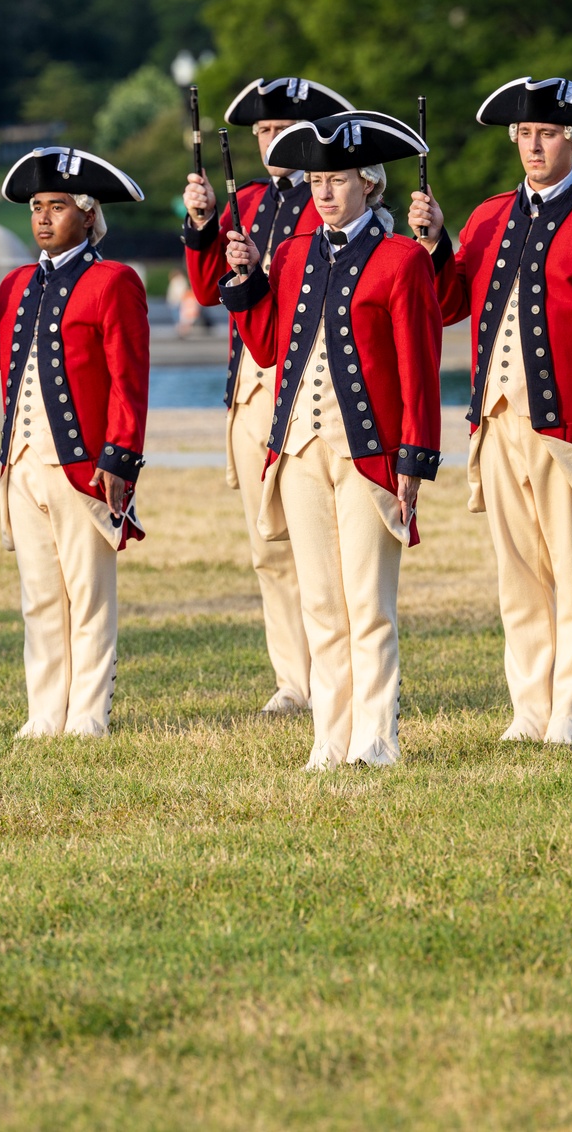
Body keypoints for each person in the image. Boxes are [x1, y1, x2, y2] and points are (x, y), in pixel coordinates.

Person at [408, 77, 572, 745]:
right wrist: (434, 247)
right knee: (517, 577)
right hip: (495, 422)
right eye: (524, 133)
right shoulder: (489, 217)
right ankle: (531, 711)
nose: (533, 144)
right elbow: (449, 304)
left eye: (547, 133)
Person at [221, 110, 442, 770]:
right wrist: (246, 283)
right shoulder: (290, 255)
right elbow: (267, 346)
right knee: (319, 597)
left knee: (367, 601)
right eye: (316, 180)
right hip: (299, 446)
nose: (323, 193)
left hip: (369, 452)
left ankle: (376, 737)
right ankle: (331, 736)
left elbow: (419, 369)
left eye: (337, 180)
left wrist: (414, 459)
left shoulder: (402, 259)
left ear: (369, 183)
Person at [0, 146, 150, 739]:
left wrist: (120, 459)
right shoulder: (14, 284)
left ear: (87, 216)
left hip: (85, 468)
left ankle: (87, 713)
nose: (42, 217)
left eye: (56, 206)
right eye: (37, 207)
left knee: (88, 597)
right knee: (39, 597)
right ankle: (44, 713)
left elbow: (128, 381)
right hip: (23, 463)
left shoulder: (115, 282)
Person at [182, 76, 355, 716]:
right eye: (261, 131)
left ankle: (342, 671)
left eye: (281, 130)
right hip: (250, 391)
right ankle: (294, 678)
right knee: (269, 543)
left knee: (327, 541)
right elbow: (206, 290)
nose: (270, 141)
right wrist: (201, 222)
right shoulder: (246, 200)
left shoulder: (331, 202)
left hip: (308, 389)